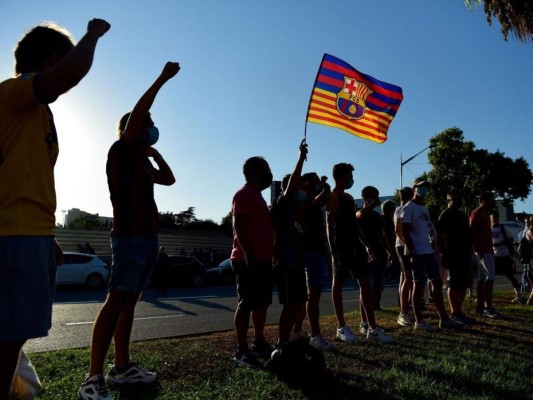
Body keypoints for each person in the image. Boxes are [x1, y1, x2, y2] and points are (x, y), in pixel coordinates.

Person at [0, 18, 110, 400]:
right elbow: (72, 73)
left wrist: (49, 238)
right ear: (50, 60)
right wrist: (93, 34)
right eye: (60, 61)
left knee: (11, 338)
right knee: (6, 340)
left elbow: (26, 177)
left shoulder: (36, 112)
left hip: (30, 234)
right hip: (14, 234)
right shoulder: (14, 92)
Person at [78, 62, 179, 400]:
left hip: (148, 239)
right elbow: (140, 111)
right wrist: (162, 79)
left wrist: (157, 155)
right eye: (147, 125)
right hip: (130, 237)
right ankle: (92, 377)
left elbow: (169, 180)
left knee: (130, 302)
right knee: (116, 300)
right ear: (132, 128)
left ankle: (122, 367)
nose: (151, 127)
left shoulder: (141, 161)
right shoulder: (121, 150)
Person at [326, 163, 393, 343]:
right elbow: (329, 223)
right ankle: (342, 326)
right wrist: (333, 251)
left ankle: (372, 328)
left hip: (356, 246)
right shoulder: (333, 196)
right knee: (338, 284)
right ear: (340, 176)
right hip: (341, 245)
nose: (351, 179)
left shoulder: (348, 198)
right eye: (348, 176)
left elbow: (355, 224)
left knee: (365, 284)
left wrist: (366, 245)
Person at [401, 179, 463, 331]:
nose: (423, 190)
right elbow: (405, 232)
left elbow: (429, 230)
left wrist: (436, 247)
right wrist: (412, 251)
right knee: (418, 285)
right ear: (414, 188)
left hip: (428, 251)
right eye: (420, 187)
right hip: (417, 253)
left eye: (425, 187)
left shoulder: (424, 208)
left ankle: (444, 318)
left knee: (437, 283)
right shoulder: (409, 208)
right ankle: (419, 321)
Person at [230, 156, 274, 367]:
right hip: (248, 259)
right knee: (246, 303)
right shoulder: (245, 194)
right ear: (256, 172)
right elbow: (240, 224)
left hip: (262, 259)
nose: (269, 173)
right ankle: (242, 350)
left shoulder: (257, 196)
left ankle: (258, 342)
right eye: (266, 169)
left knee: (261, 302)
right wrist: (249, 255)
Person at [271, 141, 308, 348]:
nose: (302, 190)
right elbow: (292, 185)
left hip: (297, 261)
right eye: (298, 187)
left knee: (299, 302)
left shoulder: (298, 208)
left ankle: (291, 338)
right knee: (290, 304)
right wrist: (301, 158)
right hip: (286, 260)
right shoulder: (281, 203)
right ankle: (282, 343)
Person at [291, 172, 332, 351]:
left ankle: (297, 329)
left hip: (316, 251)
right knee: (312, 295)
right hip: (311, 251)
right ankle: (315, 335)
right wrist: (325, 187)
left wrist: (320, 186)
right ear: (306, 183)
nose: (318, 184)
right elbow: (325, 196)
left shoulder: (309, 201)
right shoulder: (306, 202)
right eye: (314, 181)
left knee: (310, 296)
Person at [436, 189, 476, 324]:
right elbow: (439, 237)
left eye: (460, 199)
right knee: (453, 282)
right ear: (448, 201)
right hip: (451, 253)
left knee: (464, 282)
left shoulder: (462, 215)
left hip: (464, 252)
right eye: (455, 199)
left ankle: (459, 311)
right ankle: (454, 312)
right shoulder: (445, 215)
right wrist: (443, 253)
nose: (458, 202)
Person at [356, 186, 395, 314]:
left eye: (377, 196)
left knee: (379, 284)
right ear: (365, 197)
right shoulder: (358, 212)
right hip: (366, 254)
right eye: (373, 196)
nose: (376, 199)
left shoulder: (377, 216)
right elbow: (360, 215)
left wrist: (390, 251)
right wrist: (373, 204)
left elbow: (383, 236)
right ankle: (365, 315)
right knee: (367, 286)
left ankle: (375, 306)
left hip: (380, 252)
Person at [469, 192, 501, 318]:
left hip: (486, 249)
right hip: (483, 251)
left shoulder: (486, 214)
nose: (492, 202)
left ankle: (481, 307)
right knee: (490, 278)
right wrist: (477, 249)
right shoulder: (477, 213)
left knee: (482, 279)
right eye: (490, 199)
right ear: (482, 200)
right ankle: (488, 307)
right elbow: (472, 232)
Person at [489, 211, 523, 303]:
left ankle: (519, 295)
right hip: (494, 255)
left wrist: (500, 244)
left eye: (496, 218)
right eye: (493, 219)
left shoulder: (503, 227)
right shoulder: (489, 229)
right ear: (490, 220)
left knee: (509, 275)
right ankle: (487, 296)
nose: (495, 220)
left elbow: (510, 239)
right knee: (489, 276)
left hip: (504, 255)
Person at [394, 187, 415, 327]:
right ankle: (403, 312)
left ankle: (406, 307)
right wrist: (407, 245)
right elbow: (398, 230)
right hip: (403, 246)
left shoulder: (405, 209)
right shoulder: (401, 209)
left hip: (407, 245)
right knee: (408, 278)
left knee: (406, 277)